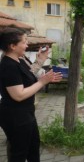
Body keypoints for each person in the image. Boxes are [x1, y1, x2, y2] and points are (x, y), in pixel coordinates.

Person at [0, 27, 62, 161]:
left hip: (26, 113)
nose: (27, 45)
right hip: (15, 117)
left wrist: (41, 60)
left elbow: (28, 75)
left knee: (33, 148)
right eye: (24, 42)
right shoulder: (8, 65)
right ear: (12, 46)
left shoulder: (19, 59)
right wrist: (42, 82)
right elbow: (18, 95)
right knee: (19, 154)